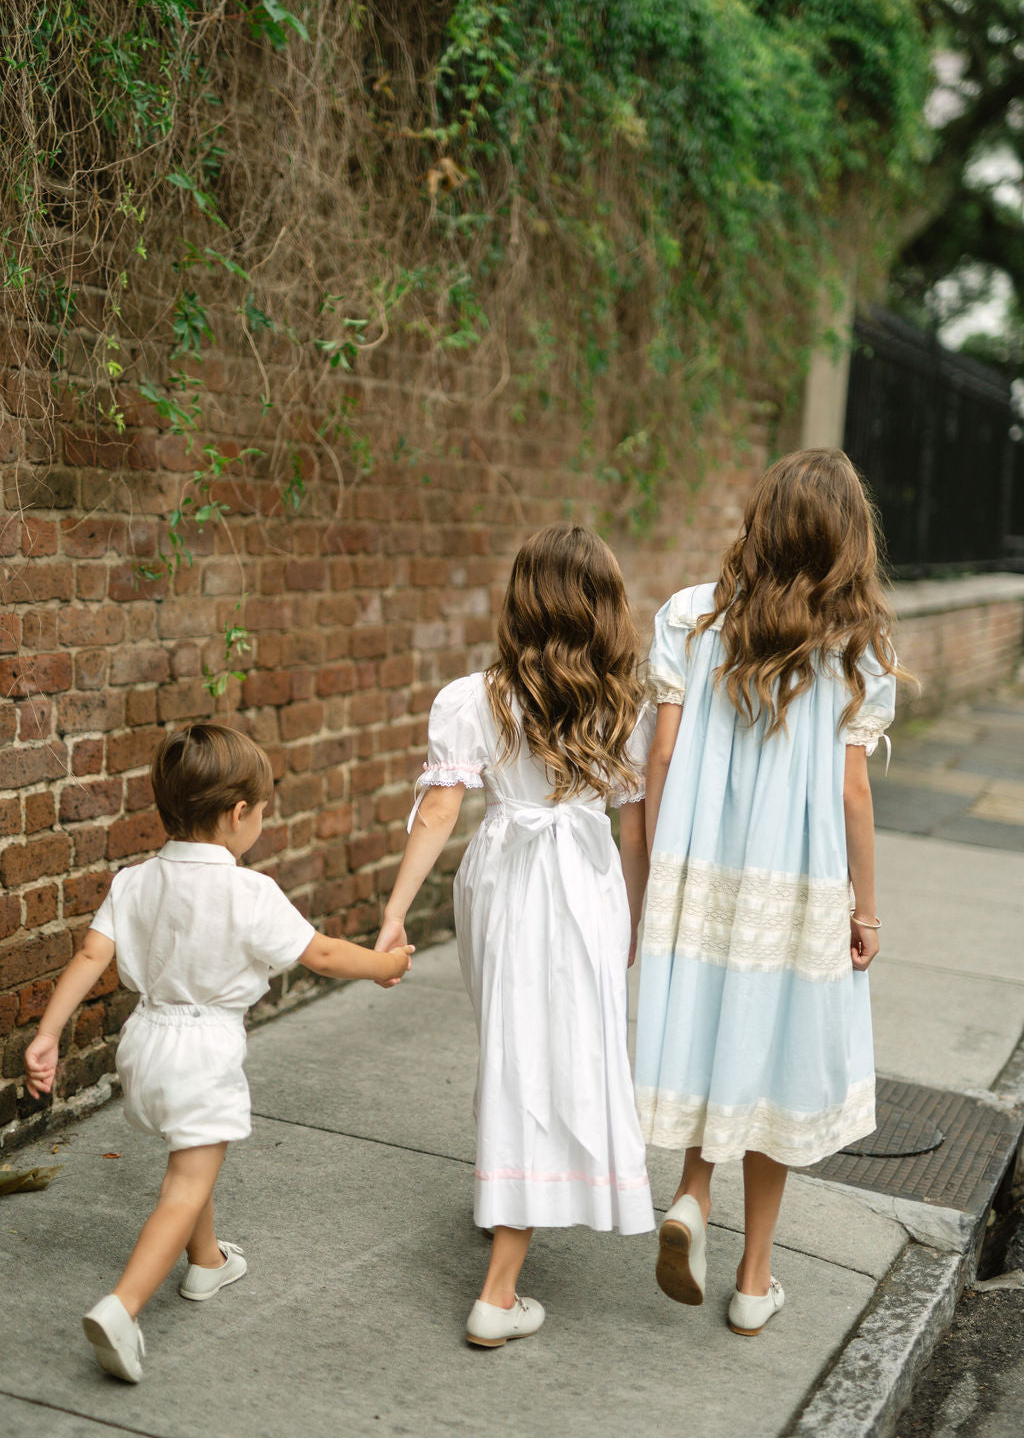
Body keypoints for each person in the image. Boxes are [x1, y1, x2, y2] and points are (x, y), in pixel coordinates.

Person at [23, 722, 413, 1384]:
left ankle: (206, 1263)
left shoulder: (134, 881)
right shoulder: (247, 892)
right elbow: (318, 952)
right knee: (185, 1182)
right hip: (202, 1051)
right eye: (261, 812)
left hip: (144, 1045)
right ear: (238, 815)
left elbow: (93, 954)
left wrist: (48, 1034)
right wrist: (380, 964)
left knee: (190, 1157)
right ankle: (123, 1307)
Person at [635, 449, 911, 1336]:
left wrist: (656, 878)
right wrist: (864, 910)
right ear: (847, 539)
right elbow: (850, 793)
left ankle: (689, 1194)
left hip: (699, 864)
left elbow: (664, 758)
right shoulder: (857, 646)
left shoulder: (690, 616)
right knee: (774, 1047)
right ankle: (754, 1281)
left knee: (715, 1024)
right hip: (795, 877)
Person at [375, 523, 655, 1348]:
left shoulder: (474, 699)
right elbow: (633, 833)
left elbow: (439, 810)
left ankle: (506, 1193)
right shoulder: (625, 705)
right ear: (605, 609)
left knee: (513, 1041)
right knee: (555, 1054)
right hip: (585, 882)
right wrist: (631, 915)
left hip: (501, 883)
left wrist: (397, 909)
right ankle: (499, 1292)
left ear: (520, 603)